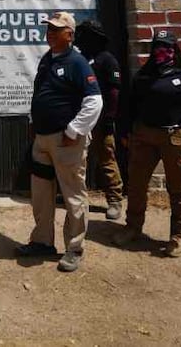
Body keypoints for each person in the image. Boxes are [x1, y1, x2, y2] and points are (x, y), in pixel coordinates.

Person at [14, 11, 103, 272]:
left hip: (66, 143)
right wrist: (34, 121)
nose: (50, 33)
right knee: (41, 194)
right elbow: (40, 93)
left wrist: (74, 130)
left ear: (70, 35)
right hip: (42, 140)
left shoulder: (78, 63)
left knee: (73, 194)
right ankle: (42, 242)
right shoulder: (46, 60)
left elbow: (94, 101)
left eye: (56, 29)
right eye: (49, 29)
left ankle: (74, 249)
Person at [115, 29, 181, 257]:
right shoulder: (143, 76)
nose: (161, 51)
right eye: (157, 46)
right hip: (143, 136)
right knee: (136, 184)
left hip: (178, 139)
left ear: (174, 49)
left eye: (166, 47)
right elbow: (129, 107)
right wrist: (126, 132)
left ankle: (178, 236)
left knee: (178, 188)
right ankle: (133, 227)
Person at [75, 19, 125, 220]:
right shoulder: (79, 60)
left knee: (106, 159)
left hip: (101, 120)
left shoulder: (107, 60)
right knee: (77, 160)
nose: (78, 41)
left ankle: (115, 200)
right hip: (81, 120)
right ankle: (78, 199)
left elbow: (114, 92)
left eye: (83, 36)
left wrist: (110, 118)